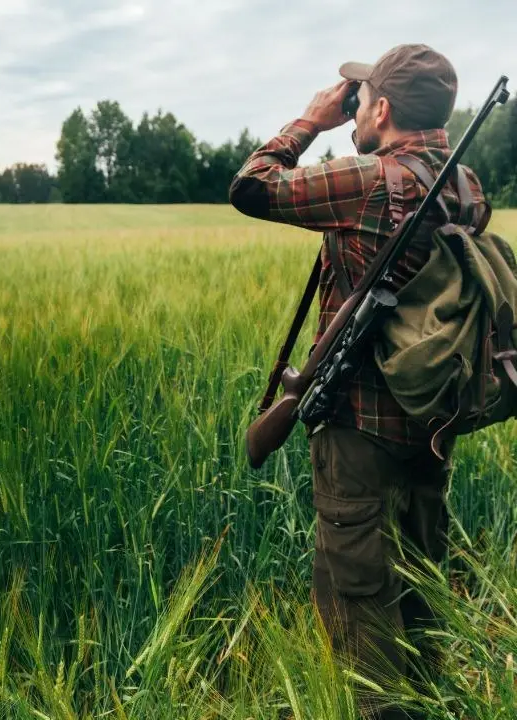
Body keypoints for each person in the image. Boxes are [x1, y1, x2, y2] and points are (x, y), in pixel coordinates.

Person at [229, 44, 488, 719]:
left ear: (382, 108)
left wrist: (310, 122)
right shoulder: (466, 186)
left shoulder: (368, 179)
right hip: (432, 427)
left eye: (360, 99)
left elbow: (251, 185)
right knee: (420, 603)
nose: (352, 111)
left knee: (359, 629)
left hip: (358, 434)